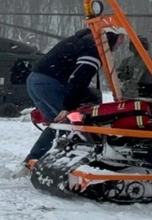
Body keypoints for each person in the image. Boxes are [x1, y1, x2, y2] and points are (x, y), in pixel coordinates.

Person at [23, 27, 126, 168]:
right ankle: (90, 163)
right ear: (111, 36)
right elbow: (79, 78)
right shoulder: (93, 48)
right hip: (49, 83)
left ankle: (33, 160)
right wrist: (69, 107)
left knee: (57, 125)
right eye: (121, 37)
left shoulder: (82, 41)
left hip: (35, 81)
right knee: (73, 123)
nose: (122, 42)